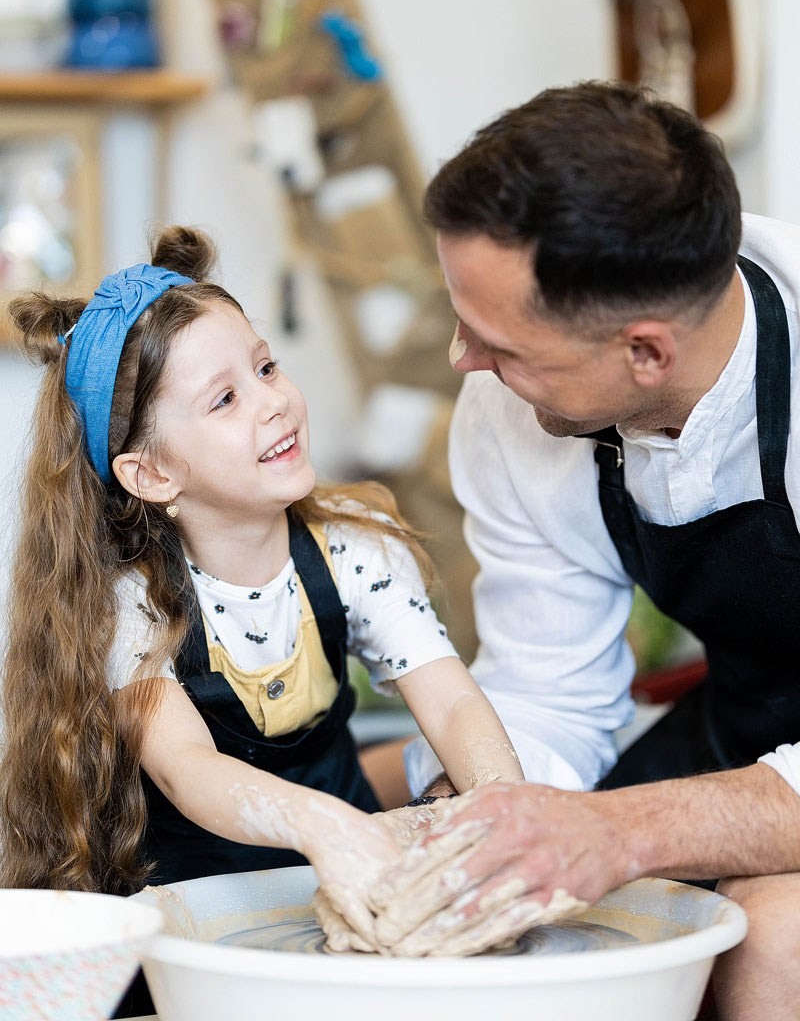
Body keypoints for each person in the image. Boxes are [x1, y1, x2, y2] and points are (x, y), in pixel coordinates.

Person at [376, 82, 800, 1019]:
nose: (461, 360)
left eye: (499, 342)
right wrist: (480, 808)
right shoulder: (510, 409)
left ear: (646, 353)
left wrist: (617, 832)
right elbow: (553, 695)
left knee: (771, 933)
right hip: (744, 725)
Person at [0, 227, 524, 973]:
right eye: (225, 399)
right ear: (151, 475)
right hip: (206, 915)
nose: (273, 402)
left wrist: (503, 813)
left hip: (347, 871)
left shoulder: (354, 549)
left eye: (267, 367)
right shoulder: (131, 607)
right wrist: (328, 828)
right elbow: (191, 769)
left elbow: (450, 703)